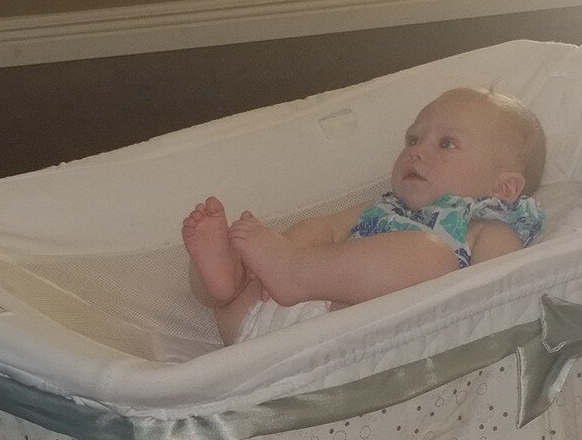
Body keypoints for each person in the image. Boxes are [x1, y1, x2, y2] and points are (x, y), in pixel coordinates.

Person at [182, 87, 547, 344]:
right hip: (269, 316)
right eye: (413, 139)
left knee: (433, 255)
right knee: (313, 230)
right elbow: (326, 228)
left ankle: (288, 270)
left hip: (349, 324)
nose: (416, 152)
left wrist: (291, 266)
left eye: (447, 144)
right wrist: (282, 255)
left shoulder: (487, 227)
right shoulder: (383, 207)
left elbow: (498, 298)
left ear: (504, 187)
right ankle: (229, 283)